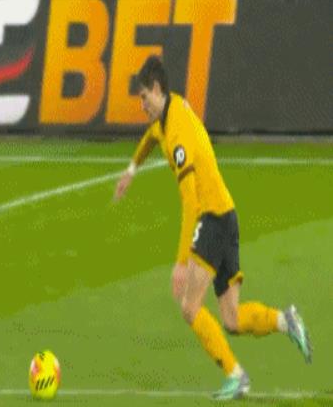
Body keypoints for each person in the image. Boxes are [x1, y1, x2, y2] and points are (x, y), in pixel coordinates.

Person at [114, 55, 312, 399]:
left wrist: (181, 262)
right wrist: (132, 169)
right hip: (227, 214)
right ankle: (286, 321)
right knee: (232, 319)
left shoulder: (178, 133)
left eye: (144, 97)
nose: (141, 105)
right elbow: (150, 136)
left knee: (189, 306)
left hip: (212, 220)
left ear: (157, 89)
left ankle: (236, 376)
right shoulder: (171, 110)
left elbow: (190, 201)